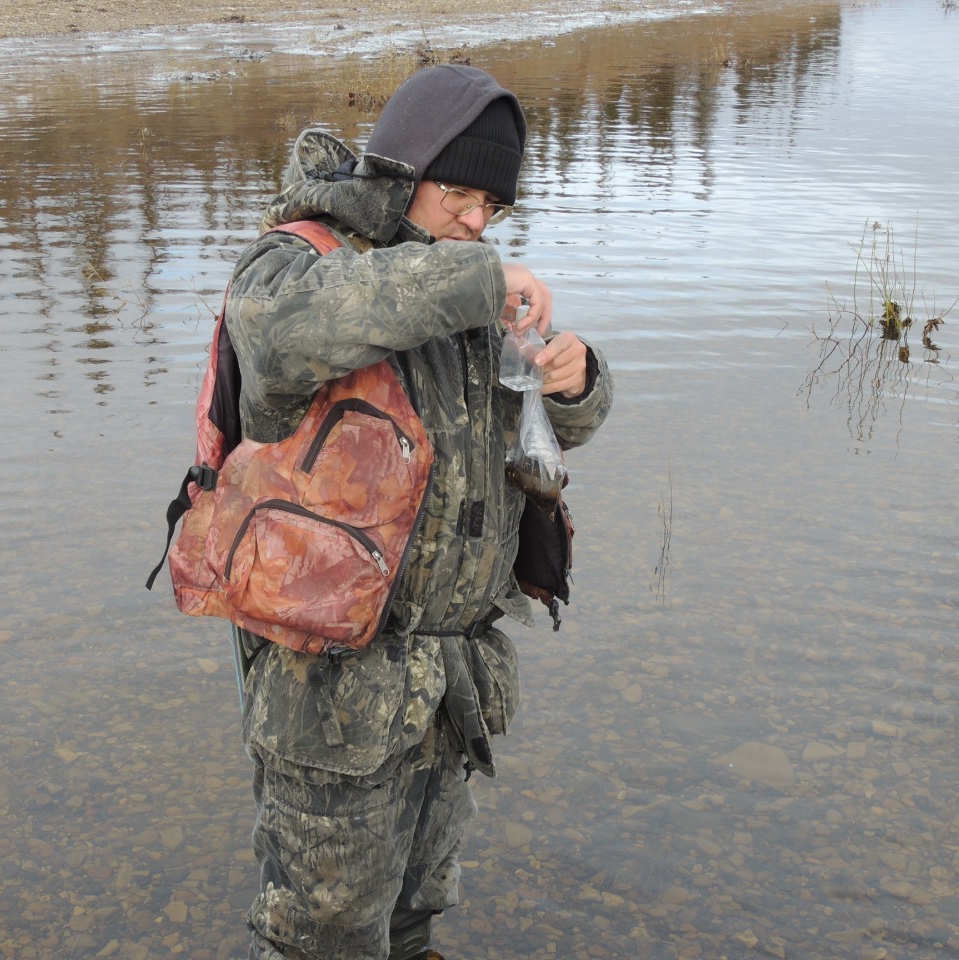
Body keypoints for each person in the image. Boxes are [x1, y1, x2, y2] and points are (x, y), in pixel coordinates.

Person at [223, 63, 614, 960]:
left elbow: (551, 435)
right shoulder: (297, 261)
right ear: (404, 173)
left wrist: (574, 378)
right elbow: (281, 336)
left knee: (412, 923)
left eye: (495, 208)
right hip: (331, 698)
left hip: (447, 689)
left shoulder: (462, 282)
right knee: (321, 941)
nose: (479, 222)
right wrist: (479, 279)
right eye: (463, 195)